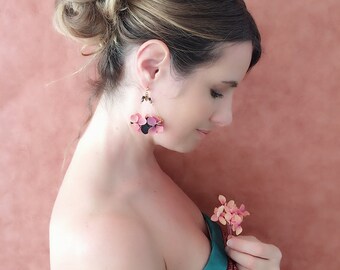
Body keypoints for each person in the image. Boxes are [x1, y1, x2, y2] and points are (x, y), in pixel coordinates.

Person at [49, 0, 282, 269]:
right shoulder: (102, 240)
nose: (225, 117)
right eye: (216, 91)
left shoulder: (137, 168)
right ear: (152, 67)